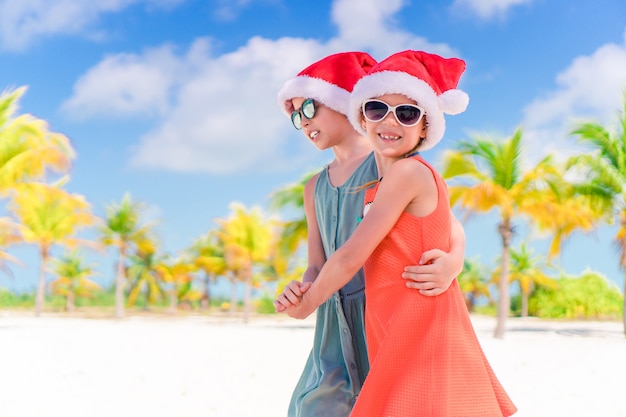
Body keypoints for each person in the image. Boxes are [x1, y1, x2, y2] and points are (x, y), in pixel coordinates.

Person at [278, 50, 517, 416]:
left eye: (308, 108)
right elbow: (320, 261)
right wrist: (304, 289)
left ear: (340, 101)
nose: (302, 120)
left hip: (387, 309)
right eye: (294, 116)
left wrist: (452, 261)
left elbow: (445, 224)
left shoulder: (391, 166)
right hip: (336, 315)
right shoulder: (316, 186)